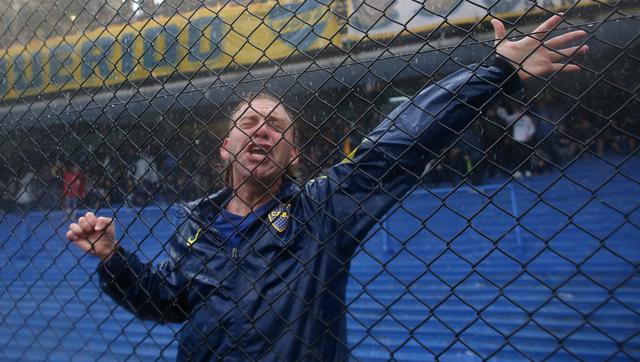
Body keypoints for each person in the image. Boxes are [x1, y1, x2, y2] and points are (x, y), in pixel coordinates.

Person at [66, 15, 589, 361]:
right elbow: (168, 302)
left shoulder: (321, 208)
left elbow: (399, 141)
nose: (262, 130)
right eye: (249, 122)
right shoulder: (196, 225)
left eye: (277, 127)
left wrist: (496, 73)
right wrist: (115, 257)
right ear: (224, 149)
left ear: (293, 154)